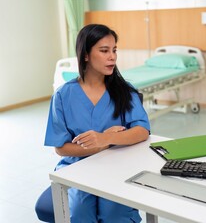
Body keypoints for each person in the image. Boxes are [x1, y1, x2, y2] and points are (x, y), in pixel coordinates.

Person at [44, 24, 150, 222]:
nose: (112, 56)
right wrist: (98, 147)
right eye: (104, 51)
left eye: (114, 50)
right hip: (77, 167)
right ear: (85, 55)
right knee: (80, 211)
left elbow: (142, 130)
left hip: (117, 165)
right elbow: (61, 148)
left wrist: (105, 138)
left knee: (115, 212)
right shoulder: (63, 95)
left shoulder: (125, 91)